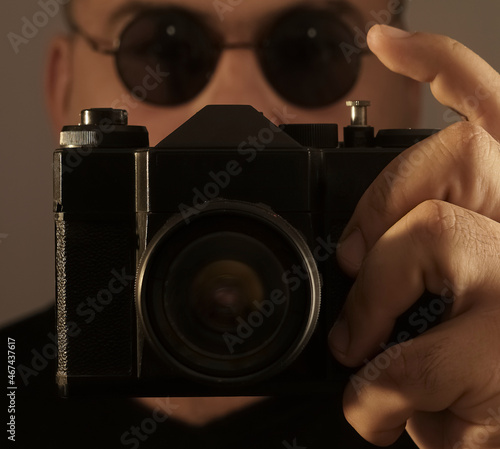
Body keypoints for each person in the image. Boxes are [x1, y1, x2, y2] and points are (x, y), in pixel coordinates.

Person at [4, 0, 500, 447]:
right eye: (162, 48)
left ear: (408, 90)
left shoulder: (460, 403)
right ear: (60, 84)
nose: (237, 93)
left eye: (314, 49)